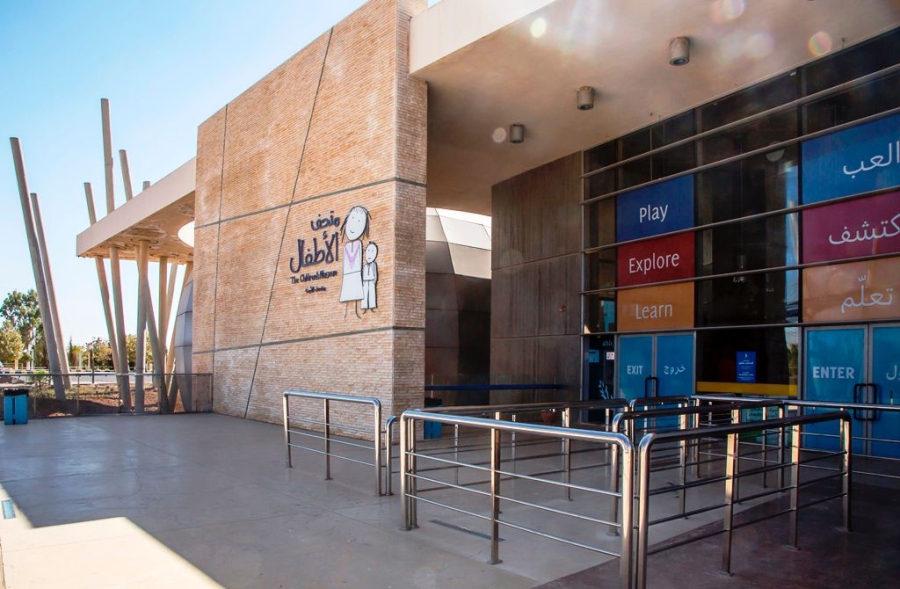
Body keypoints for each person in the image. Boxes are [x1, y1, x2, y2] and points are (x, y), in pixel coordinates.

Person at [339, 205, 370, 317]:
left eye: (359, 221)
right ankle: (346, 312)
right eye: (352, 219)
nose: (354, 224)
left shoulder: (359, 244)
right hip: (347, 273)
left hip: (356, 272)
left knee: (356, 292)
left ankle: (356, 311)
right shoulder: (346, 246)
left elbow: (358, 259)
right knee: (347, 292)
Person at [361, 241, 378, 311]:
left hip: (371, 281)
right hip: (365, 281)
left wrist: (374, 281)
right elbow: (362, 274)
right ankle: (364, 307)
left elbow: (375, 273)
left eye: (372, 251)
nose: (370, 254)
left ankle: (372, 306)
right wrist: (363, 282)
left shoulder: (374, 264)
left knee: (372, 293)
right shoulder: (364, 266)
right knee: (364, 294)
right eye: (368, 251)